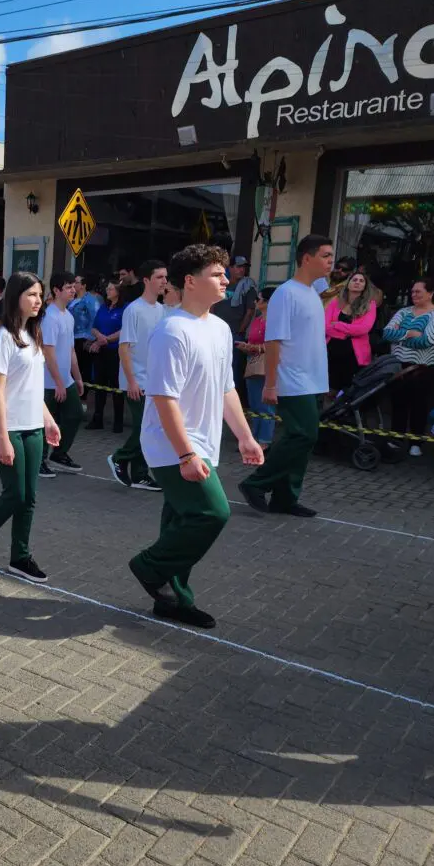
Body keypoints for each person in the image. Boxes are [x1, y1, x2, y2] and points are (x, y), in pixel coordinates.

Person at [128, 244, 264, 630]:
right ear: (190, 281)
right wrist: (186, 455)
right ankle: (148, 568)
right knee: (211, 513)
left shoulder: (220, 328)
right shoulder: (171, 331)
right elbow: (164, 398)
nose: (226, 279)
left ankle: (174, 600)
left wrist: (245, 437)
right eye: (217, 274)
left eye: (226, 273)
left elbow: (226, 389)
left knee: (180, 522)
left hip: (203, 442)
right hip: (171, 446)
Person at [0, 273, 61, 585]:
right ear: (16, 295)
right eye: (31, 294)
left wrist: (48, 419)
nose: (37, 300)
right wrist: (3, 438)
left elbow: (31, 387)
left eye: (40, 294)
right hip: (6, 428)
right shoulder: (3, 336)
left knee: (29, 496)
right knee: (14, 494)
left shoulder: (33, 334)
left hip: (32, 425)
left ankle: (20, 556)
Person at [239, 235, 333, 518]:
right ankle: (255, 482)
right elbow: (274, 340)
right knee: (303, 435)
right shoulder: (286, 293)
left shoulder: (313, 292)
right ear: (307, 258)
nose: (331, 261)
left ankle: (285, 497)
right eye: (326, 255)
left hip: (312, 379)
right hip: (292, 379)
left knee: (303, 439)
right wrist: (270, 382)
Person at [108, 260, 168, 490]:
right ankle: (119, 457)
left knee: (151, 428)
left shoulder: (162, 310)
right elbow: (124, 347)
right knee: (146, 428)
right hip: (136, 380)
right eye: (159, 277)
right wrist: (131, 380)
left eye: (165, 277)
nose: (164, 281)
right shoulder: (134, 309)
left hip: (153, 380)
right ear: (146, 280)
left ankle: (140, 474)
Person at [383, 278, 434, 456]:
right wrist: (410, 333)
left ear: (431, 293)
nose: (414, 295)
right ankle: (396, 438)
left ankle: (416, 442)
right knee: (398, 404)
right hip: (398, 367)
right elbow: (387, 333)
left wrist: (400, 336)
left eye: (418, 291)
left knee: (419, 405)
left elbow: (427, 341)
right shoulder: (403, 312)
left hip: (422, 368)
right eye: (412, 291)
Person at [38, 272, 85, 478]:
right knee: (45, 422)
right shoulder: (50, 317)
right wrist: (58, 383)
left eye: (73, 286)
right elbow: (48, 352)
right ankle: (39, 461)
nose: (73, 290)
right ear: (56, 290)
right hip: (48, 383)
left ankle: (59, 453)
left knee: (75, 414)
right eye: (68, 287)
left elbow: (71, 350)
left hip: (65, 380)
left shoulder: (69, 316)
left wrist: (78, 377)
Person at [325, 271, 379, 396]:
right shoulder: (335, 302)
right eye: (354, 280)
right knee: (329, 391)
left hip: (354, 357)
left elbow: (364, 329)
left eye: (361, 281)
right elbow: (325, 326)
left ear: (365, 286)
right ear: (348, 283)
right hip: (331, 353)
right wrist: (347, 333)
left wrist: (338, 325)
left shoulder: (370, 305)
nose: (357, 283)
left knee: (348, 392)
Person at [237, 287, 277, 448]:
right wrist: (247, 346)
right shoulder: (257, 319)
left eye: (258, 299)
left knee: (265, 405)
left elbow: (277, 345)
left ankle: (265, 440)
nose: (255, 302)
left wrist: (257, 348)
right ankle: (255, 436)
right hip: (253, 362)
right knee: (254, 404)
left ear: (267, 303)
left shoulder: (275, 321)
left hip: (267, 363)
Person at [212, 256, 259, 394]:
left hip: (234, 333)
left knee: (233, 367)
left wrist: (240, 330)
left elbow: (250, 311)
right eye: (238, 266)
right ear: (230, 268)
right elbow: (213, 303)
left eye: (243, 267)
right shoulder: (222, 284)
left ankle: (232, 399)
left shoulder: (248, 287)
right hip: (216, 331)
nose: (241, 270)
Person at [87, 280, 126, 431]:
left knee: (116, 386)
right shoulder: (103, 307)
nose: (107, 291)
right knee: (99, 385)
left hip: (115, 352)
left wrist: (106, 340)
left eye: (111, 289)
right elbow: (94, 327)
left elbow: (124, 330)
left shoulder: (125, 308)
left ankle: (118, 422)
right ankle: (97, 419)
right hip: (101, 351)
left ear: (119, 291)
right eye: (107, 288)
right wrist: (100, 338)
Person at [65, 273, 100, 390]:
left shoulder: (90, 300)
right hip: (72, 337)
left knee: (82, 367)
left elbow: (95, 318)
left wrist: (91, 338)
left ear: (84, 285)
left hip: (83, 338)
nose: (74, 285)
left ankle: (83, 397)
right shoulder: (72, 300)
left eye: (77, 282)